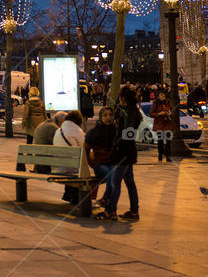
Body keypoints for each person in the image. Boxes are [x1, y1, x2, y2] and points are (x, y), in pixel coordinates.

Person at [96, 86, 142, 221]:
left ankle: (110, 211)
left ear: (124, 97)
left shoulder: (129, 111)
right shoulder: (132, 110)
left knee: (116, 183)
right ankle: (134, 211)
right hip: (129, 150)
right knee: (130, 183)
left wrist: (115, 145)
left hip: (123, 151)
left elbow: (128, 131)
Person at [85, 106, 117, 207]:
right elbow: (86, 149)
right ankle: (106, 199)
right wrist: (92, 163)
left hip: (112, 162)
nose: (108, 117)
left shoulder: (116, 131)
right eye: (105, 115)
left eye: (111, 115)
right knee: (111, 176)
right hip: (100, 164)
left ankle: (107, 201)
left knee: (114, 176)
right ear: (100, 117)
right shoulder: (94, 132)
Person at [53, 110, 85, 204]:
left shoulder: (58, 131)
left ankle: (68, 194)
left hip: (57, 167)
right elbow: (84, 148)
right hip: (71, 167)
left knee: (70, 160)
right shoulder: (77, 131)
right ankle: (77, 197)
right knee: (86, 167)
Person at [150, 90, 173, 162]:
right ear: (158, 96)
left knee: (168, 141)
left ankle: (168, 156)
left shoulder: (168, 102)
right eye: (161, 94)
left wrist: (170, 113)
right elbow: (151, 114)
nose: (163, 96)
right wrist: (159, 114)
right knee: (160, 141)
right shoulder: (156, 103)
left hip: (167, 124)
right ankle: (160, 155)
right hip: (159, 124)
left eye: (164, 94)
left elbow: (173, 111)